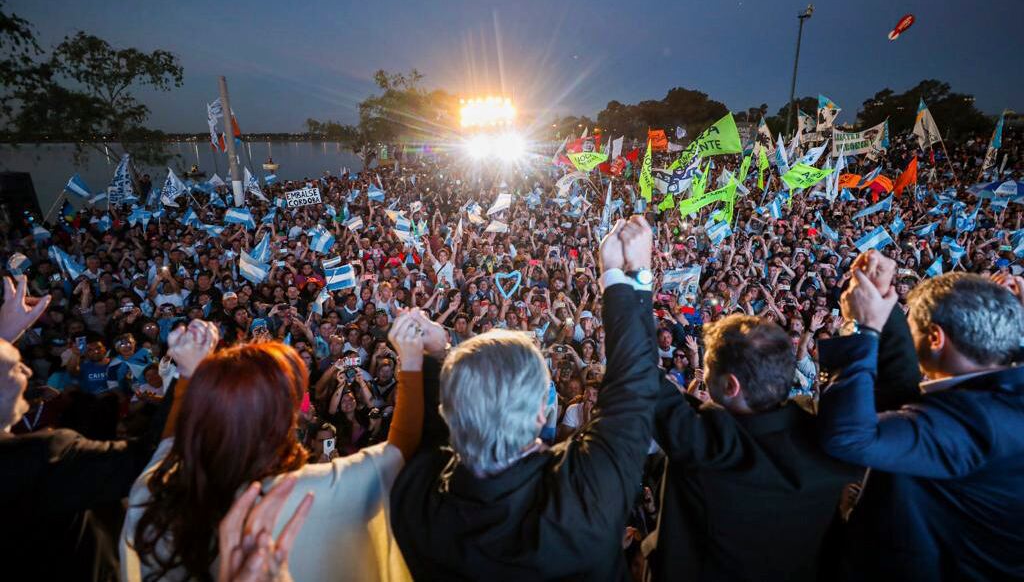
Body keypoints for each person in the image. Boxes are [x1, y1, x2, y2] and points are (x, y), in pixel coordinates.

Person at [390, 216, 660, 579]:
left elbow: (635, 385)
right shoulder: (584, 492)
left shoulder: (417, 503)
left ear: (449, 411)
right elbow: (635, 385)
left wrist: (436, 354)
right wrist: (623, 271)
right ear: (539, 416)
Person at [120, 312, 425, 582]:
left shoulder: (158, 491)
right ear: (283, 419)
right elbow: (401, 446)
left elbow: (172, 441)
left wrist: (189, 374)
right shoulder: (329, 488)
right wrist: (412, 359)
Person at [818, 253, 1024, 580]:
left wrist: (867, 330)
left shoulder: (976, 421)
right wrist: (884, 310)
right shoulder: (1007, 389)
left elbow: (849, 436)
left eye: (913, 326)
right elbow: (903, 386)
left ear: (935, 339)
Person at [645, 307, 863, 581]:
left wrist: (631, 277)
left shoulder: (708, 444)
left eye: (710, 367)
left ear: (730, 386)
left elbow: (636, 370)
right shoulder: (827, 441)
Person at [0, 275, 189, 579]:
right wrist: (187, 373)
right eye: (12, 366)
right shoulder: (45, 456)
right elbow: (148, 455)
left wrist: (4, 336)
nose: (25, 368)